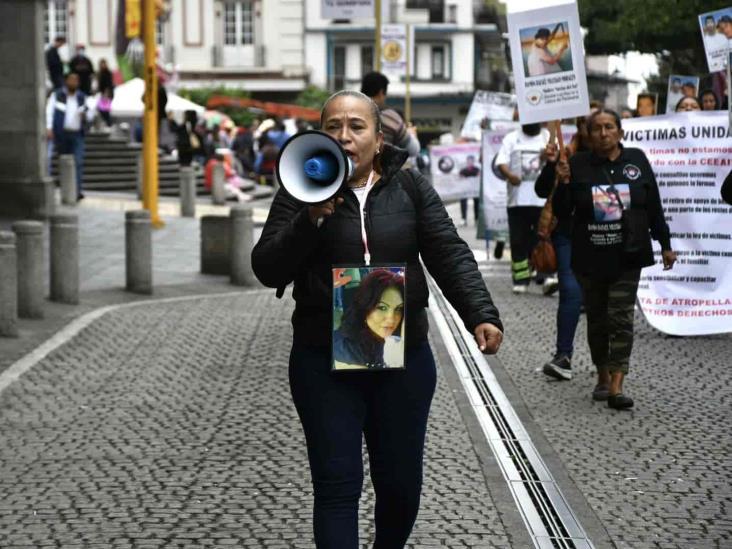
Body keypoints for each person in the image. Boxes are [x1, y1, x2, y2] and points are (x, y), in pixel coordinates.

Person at [251, 90, 503, 547]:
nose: (344, 136)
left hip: (403, 358)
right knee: (336, 487)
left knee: (401, 487)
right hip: (322, 359)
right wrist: (309, 221)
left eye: (356, 126)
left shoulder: (410, 188)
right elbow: (267, 266)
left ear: (378, 138)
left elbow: (449, 252)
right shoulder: (299, 191)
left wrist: (480, 313)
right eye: (333, 126)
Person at [552, 109, 677, 410]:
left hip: (628, 255)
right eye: (597, 128)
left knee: (621, 317)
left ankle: (617, 385)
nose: (604, 133)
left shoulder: (636, 160)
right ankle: (602, 374)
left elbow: (654, 205)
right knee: (598, 319)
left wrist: (665, 244)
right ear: (589, 135)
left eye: (610, 127)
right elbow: (562, 210)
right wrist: (563, 183)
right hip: (591, 257)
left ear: (620, 132)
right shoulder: (577, 164)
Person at [534, 115, 593, 380]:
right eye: (591, 127)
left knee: (603, 299)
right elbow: (542, 190)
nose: (599, 133)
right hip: (568, 234)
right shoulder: (565, 155)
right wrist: (551, 166)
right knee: (570, 290)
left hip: (605, 237)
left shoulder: (619, 160)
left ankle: (609, 366)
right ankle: (563, 355)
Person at [496, 123, 551, 293]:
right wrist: (510, 175)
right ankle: (521, 278)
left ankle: (543, 274)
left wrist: (546, 155)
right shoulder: (511, 138)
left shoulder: (547, 137)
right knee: (518, 240)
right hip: (517, 201)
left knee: (541, 239)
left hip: (541, 201)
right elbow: (501, 162)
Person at [333, 269, 405, 370]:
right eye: (382, 308)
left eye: (398, 309)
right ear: (365, 307)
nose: (391, 319)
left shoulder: (401, 335)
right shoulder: (346, 347)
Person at [46, 72, 94, 201]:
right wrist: (49, 127)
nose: (74, 82)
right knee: (64, 162)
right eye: (71, 80)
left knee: (78, 162)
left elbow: (91, 115)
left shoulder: (82, 98)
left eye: (76, 80)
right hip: (62, 134)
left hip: (77, 134)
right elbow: (49, 111)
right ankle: (66, 190)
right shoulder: (57, 95)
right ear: (66, 81)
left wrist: (85, 115)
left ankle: (77, 191)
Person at [361, 71, 420, 157]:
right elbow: (413, 150)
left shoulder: (348, 112)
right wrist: (411, 134)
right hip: (379, 168)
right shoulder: (390, 118)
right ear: (381, 92)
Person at [458, 155, 481, 227]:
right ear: (467, 161)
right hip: (465, 189)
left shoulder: (477, 169)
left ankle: (477, 219)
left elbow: (478, 175)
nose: (470, 162)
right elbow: (461, 175)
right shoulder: (463, 170)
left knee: (476, 202)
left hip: (474, 189)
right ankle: (463, 219)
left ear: (473, 161)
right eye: (469, 160)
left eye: (471, 160)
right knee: (463, 201)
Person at [95, 58, 115, 127]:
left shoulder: (107, 73)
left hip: (107, 94)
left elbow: (108, 84)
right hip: (103, 93)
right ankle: (107, 122)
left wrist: (106, 94)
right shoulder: (100, 73)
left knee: (104, 109)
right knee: (102, 109)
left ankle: (109, 123)